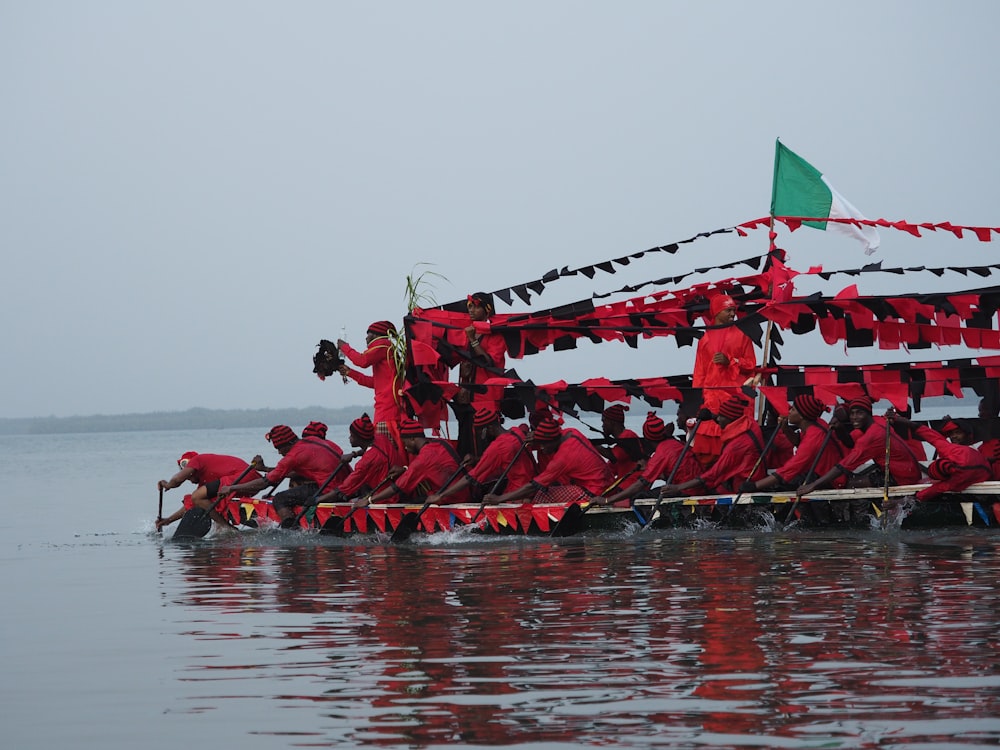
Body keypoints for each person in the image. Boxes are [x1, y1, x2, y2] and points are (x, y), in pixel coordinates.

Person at [796, 395, 923, 497]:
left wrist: (813, 485)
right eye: (852, 413)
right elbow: (850, 443)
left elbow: (843, 466)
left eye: (859, 413)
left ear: (868, 414)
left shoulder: (872, 436)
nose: (854, 418)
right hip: (905, 471)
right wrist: (840, 429)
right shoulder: (878, 420)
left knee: (847, 484)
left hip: (903, 477)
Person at [221, 425, 347, 525]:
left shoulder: (293, 455)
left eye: (279, 449)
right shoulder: (311, 440)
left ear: (286, 444)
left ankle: (291, 529)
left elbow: (264, 483)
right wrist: (264, 468)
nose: (279, 453)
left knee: (280, 498)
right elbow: (289, 473)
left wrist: (232, 488)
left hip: (329, 490)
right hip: (346, 486)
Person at [691, 293, 757, 467]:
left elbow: (752, 365)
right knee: (711, 442)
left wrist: (731, 361)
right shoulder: (704, 339)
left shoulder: (742, 335)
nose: (732, 314)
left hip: (736, 396)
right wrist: (698, 397)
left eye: (733, 310)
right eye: (728, 310)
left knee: (738, 439)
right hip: (711, 397)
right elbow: (699, 372)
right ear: (717, 312)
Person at [483, 416, 612, 505]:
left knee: (540, 495)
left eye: (543, 445)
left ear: (552, 440)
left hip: (593, 492)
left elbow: (533, 487)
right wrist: (539, 435)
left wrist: (499, 499)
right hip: (604, 483)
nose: (542, 449)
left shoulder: (562, 458)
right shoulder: (572, 432)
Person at [424, 407, 536, 505]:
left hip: (518, 494)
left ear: (489, 429)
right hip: (532, 487)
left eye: (481, 433)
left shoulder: (498, 446)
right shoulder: (516, 431)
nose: (482, 438)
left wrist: (441, 496)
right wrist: (477, 459)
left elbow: (472, 477)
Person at [659, 396, 766, 497]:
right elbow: (730, 417)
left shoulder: (735, 447)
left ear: (730, 419)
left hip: (744, 488)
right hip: (755, 477)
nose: (718, 420)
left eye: (721, 417)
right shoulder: (751, 424)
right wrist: (711, 416)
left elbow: (713, 473)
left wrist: (678, 487)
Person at [354, 419, 472, 507]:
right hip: (466, 494)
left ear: (413, 439)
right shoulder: (441, 442)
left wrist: (369, 500)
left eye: (405, 443)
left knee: (409, 499)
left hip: (451, 500)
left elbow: (397, 487)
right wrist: (405, 469)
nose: (405, 448)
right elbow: (431, 466)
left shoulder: (422, 459)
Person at [742, 394, 846, 493]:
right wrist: (785, 428)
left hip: (832, 482)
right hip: (817, 474)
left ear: (801, 416)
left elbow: (791, 468)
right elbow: (798, 442)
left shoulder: (814, 437)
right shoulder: (816, 423)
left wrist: (755, 485)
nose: (789, 411)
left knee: (774, 487)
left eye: (793, 409)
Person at [338, 320, 406, 466]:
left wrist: (345, 347)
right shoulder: (389, 350)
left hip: (387, 412)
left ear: (375, 335)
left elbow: (362, 360)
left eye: (368, 334)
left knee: (384, 454)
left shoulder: (383, 345)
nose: (366, 339)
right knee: (388, 452)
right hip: (388, 411)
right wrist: (350, 373)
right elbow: (375, 383)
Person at [599, 411, 702, 507]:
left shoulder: (660, 454)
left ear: (646, 437)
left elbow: (640, 484)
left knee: (638, 496)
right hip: (697, 488)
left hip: (685, 493)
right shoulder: (676, 443)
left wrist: (607, 500)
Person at [889, 410, 991, 501]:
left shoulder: (955, 478)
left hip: (981, 477)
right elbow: (928, 434)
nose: (954, 436)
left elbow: (931, 491)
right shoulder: (950, 450)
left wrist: (899, 502)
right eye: (952, 433)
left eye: (958, 433)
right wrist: (899, 419)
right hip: (982, 472)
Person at [453, 292, 507, 458]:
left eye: (476, 307)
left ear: (487, 310)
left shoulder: (496, 334)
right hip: (466, 400)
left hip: (486, 400)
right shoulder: (467, 331)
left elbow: (490, 363)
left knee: (483, 447)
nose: (472, 310)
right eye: (470, 307)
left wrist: (473, 340)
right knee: (465, 445)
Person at [156, 451, 262, 531]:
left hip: (244, 477)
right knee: (205, 503)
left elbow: (177, 480)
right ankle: (261, 525)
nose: (190, 480)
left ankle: (228, 528)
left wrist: (167, 484)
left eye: (188, 476)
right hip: (252, 482)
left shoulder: (196, 460)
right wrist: (168, 520)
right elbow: (193, 504)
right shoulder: (206, 480)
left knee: (197, 496)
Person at [317, 414, 390, 503]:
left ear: (359, 438)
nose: (349, 438)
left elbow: (344, 488)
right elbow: (370, 449)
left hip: (385, 497)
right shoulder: (381, 439)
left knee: (351, 499)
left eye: (351, 435)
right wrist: (354, 454)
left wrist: (317, 500)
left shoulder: (366, 461)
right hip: (387, 487)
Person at [599, 404, 644, 482]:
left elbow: (613, 456)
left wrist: (593, 445)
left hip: (631, 485)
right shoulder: (620, 444)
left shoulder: (628, 436)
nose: (602, 425)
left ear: (612, 422)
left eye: (604, 421)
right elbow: (609, 469)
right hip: (625, 485)